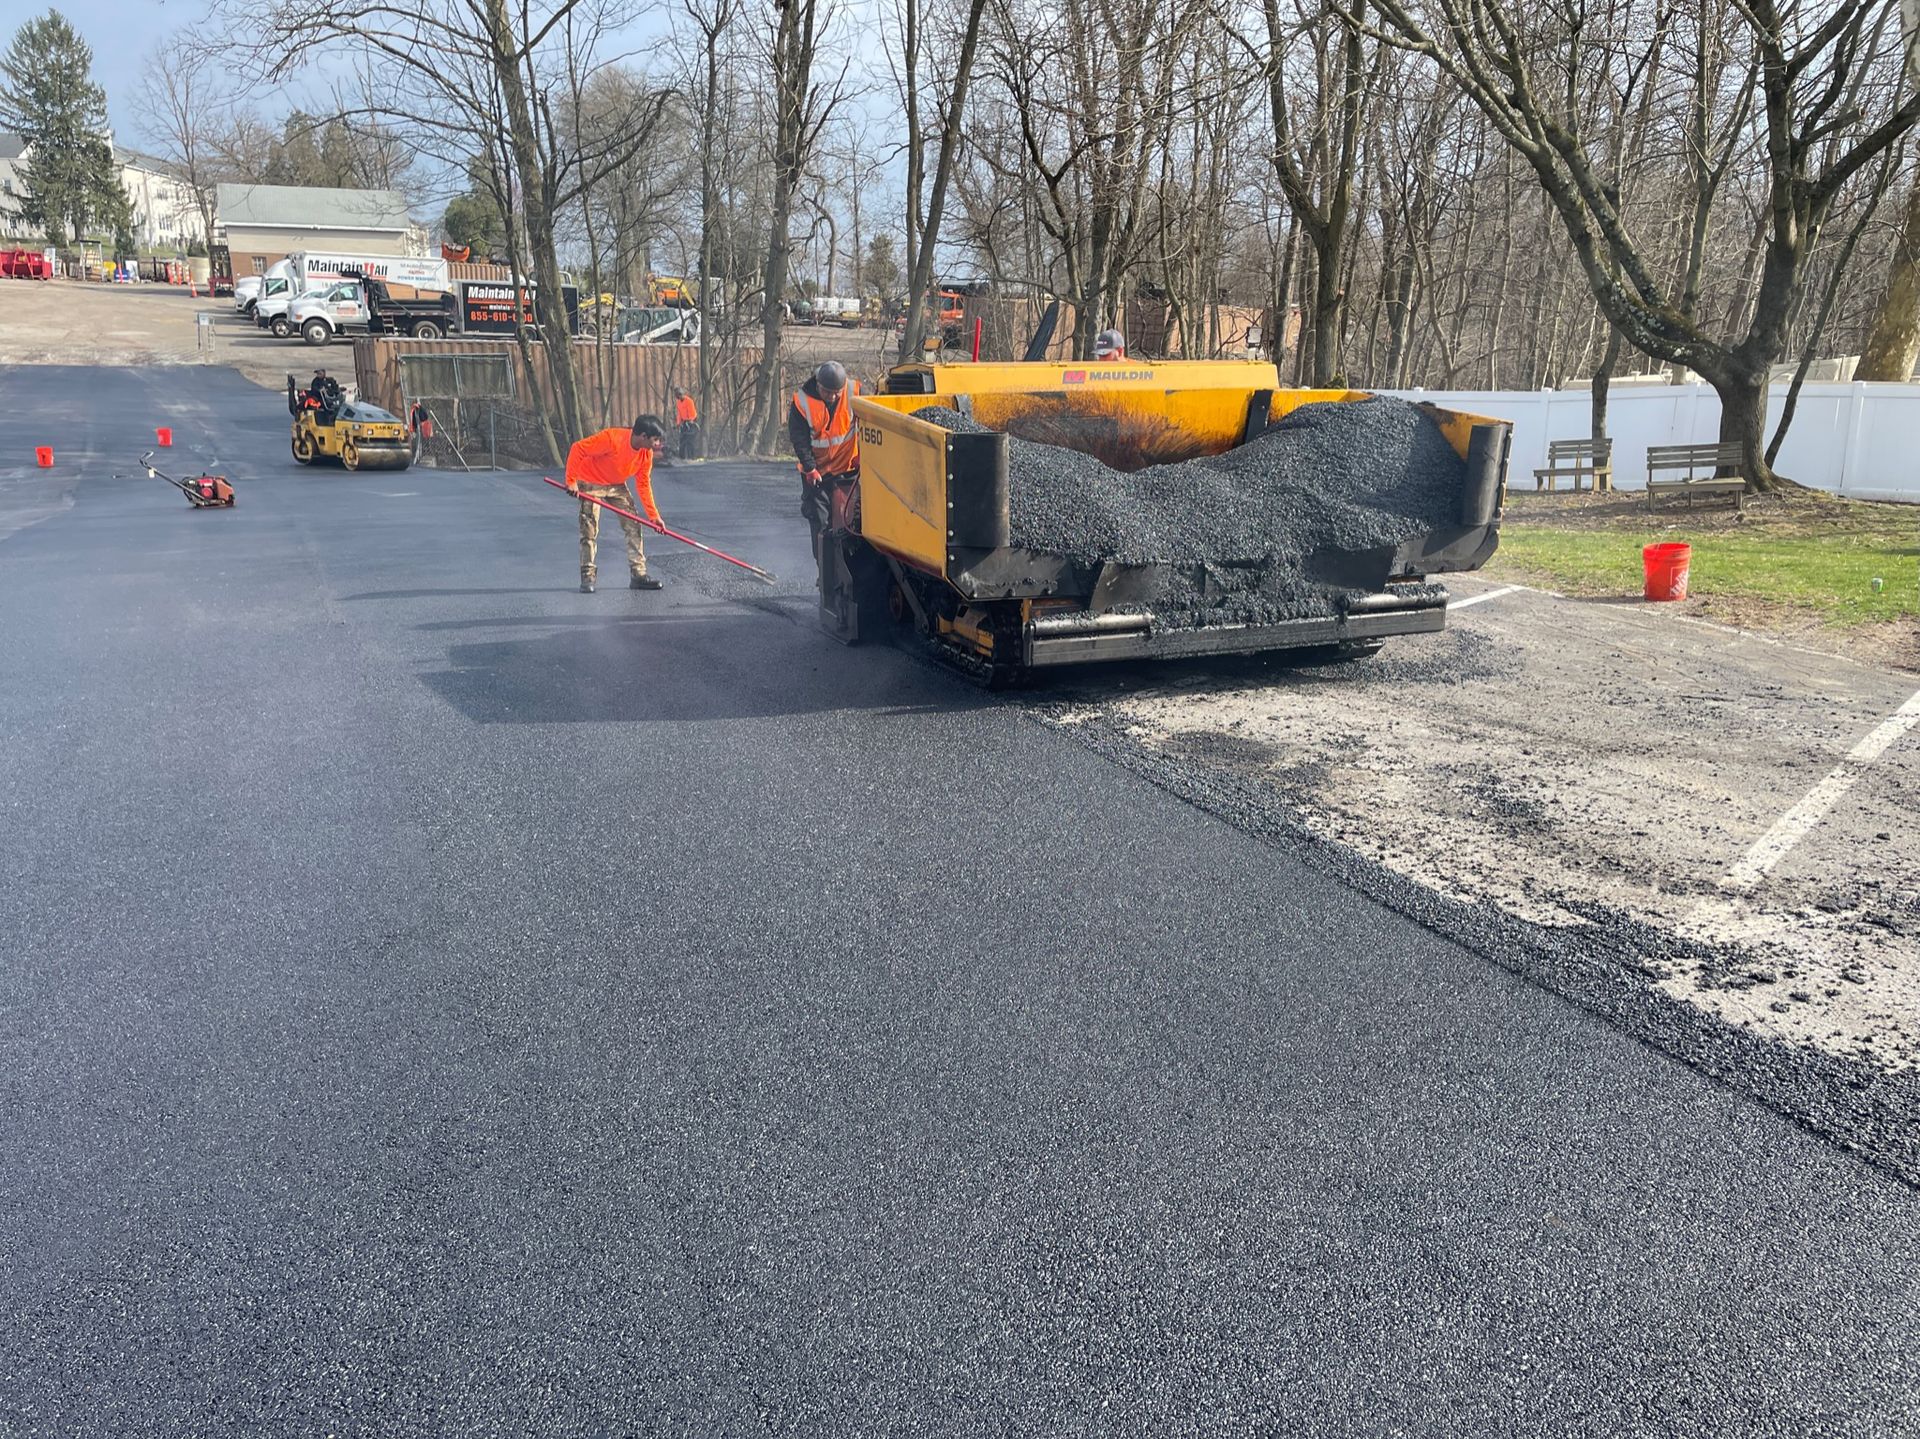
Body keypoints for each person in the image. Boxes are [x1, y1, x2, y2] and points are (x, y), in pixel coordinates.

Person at [565, 415, 667, 593]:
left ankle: (638, 575)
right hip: (591, 481)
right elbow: (578, 448)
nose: (657, 444)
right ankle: (588, 576)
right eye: (655, 439)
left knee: (633, 524)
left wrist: (654, 516)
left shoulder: (646, 454)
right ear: (643, 436)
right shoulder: (612, 438)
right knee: (589, 528)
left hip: (616, 485)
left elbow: (643, 484)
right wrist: (571, 480)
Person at [789, 361, 861, 550]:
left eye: (837, 391)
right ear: (818, 385)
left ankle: (849, 569)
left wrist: (864, 454)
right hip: (817, 473)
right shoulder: (802, 403)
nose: (833, 396)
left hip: (847, 469)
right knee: (820, 522)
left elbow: (869, 422)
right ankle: (825, 571)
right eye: (828, 392)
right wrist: (810, 468)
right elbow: (799, 439)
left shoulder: (854, 392)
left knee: (850, 522)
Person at [672, 386, 701, 462]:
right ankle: (682, 459)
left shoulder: (689, 401)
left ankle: (692, 458)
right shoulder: (678, 403)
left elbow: (693, 413)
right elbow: (679, 414)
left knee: (691, 442)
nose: (677, 397)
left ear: (680, 394)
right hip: (684, 423)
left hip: (692, 423)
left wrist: (690, 420)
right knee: (682, 441)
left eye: (677, 395)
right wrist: (678, 424)